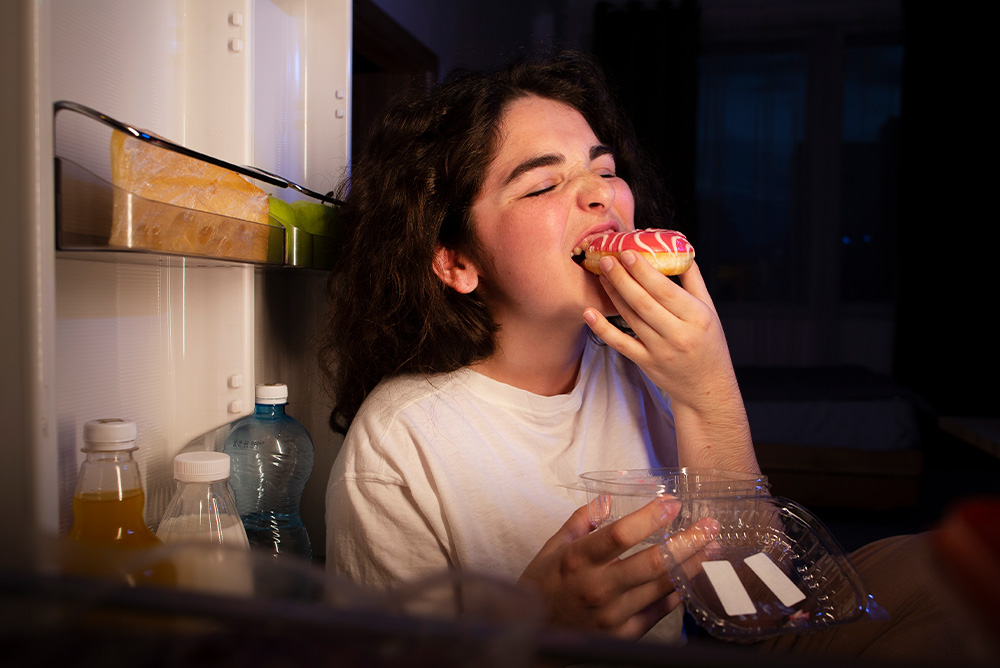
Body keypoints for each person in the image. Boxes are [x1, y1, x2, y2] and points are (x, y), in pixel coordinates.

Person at [320, 51, 992, 663]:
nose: (601, 195)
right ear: (457, 261)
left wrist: (709, 389)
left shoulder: (646, 371)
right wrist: (535, 629)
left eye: (605, 170)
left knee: (953, 572)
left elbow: (753, 605)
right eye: (542, 185)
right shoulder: (401, 443)